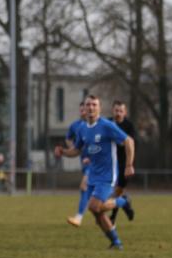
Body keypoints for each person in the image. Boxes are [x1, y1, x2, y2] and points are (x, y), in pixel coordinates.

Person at [54, 95, 134, 249]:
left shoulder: (107, 125)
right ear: (83, 108)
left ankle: (123, 201)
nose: (90, 108)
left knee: (93, 206)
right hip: (93, 175)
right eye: (88, 105)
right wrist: (63, 152)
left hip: (108, 175)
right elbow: (76, 150)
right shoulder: (82, 128)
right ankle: (116, 242)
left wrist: (129, 165)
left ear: (99, 108)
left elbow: (129, 141)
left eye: (94, 105)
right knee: (98, 214)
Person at [109, 100, 136, 223]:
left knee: (118, 192)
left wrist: (129, 165)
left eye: (121, 111)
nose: (118, 113)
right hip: (109, 163)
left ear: (125, 112)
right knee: (110, 192)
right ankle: (124, 204)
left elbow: (132, 144)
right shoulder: (107, 123)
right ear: (112, 111)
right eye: (116, 110)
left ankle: (115, 213)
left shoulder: (129, 126)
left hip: (123, 164)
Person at [66, 102, 92, 227]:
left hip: (95, 162)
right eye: (81, 110)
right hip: (84, 162)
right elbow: (68, 137)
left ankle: (79, 217)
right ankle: (121, 202)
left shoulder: (96, 125)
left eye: (84, 110)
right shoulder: (76, 126)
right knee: (92, 193)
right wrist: (72, 148)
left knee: (84, 187)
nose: (83, 112)